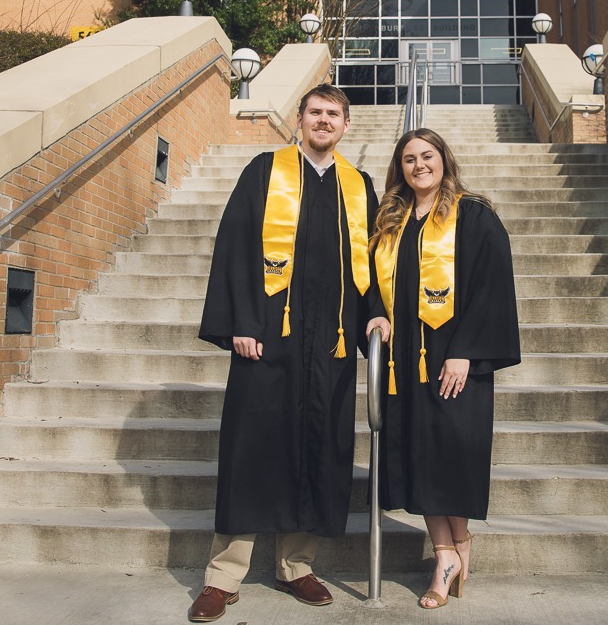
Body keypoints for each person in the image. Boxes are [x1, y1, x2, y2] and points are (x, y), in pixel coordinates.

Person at [190, 84, 390, 623]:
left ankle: (297, 566)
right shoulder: (264, 170)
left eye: (334, 114)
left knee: (317, 445)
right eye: (315, 112)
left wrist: (374, 310)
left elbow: (373, 259)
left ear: (346, 126)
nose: (324, 121)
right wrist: (242, 322)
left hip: (332, 340)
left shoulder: (359, 186)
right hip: (268, 337)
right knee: (251, 449)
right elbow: (234, 245)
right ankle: (223, 576)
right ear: (298, 119)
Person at [369, 128, 520, 610]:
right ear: (401, 168)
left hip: (454, 358)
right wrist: (374, 311)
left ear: (444, 160)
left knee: (450, 452)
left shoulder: (473, 215)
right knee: (420, 453)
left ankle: (459, 546)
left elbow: (491, 285)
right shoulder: (390, 223)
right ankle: (446, 554)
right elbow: (371, 281)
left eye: (427, 156)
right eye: (409, 159)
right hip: (403, 359)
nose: (419, 166)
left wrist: (465, 350)